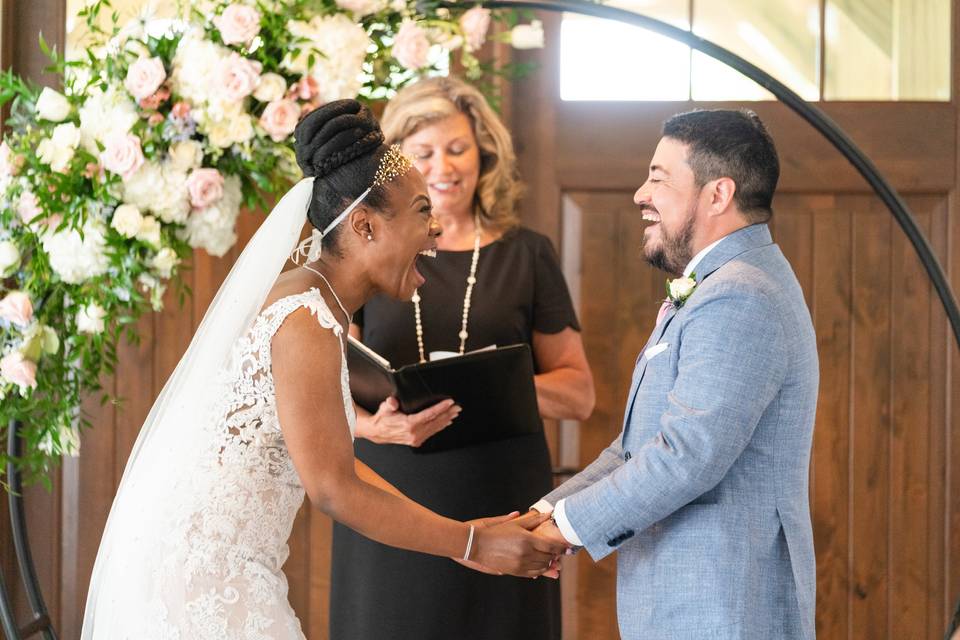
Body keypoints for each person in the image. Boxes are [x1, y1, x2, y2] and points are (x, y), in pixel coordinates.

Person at [80, 100, 567, 639]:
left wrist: (468, 538)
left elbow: (339, 463)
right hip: (205, 583)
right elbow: (333, 489)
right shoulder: (306, 319)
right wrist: (472, 544)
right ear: (365, 225)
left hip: (221, 569)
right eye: (421, 212)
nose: (435, 233)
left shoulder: (312, 300)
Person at [531, 109, 820, 639]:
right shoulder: (719, 285)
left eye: (659, 178)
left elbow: (687, 455)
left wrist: (567, 528)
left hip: (723, 606)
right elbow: (635, 447)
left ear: (717, 195)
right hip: (689, 604)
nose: (641, 194)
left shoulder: (742, 294)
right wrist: (545, 513)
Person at [329, 77, 594, 640]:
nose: (442, 167)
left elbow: (578, 394)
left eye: (456, 149)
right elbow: (324, 385)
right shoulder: (367, 254)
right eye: (422, 154)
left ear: (484, 154)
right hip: (390, 493)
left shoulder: (528, 254)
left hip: (504, 495)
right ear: (395, 167)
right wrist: (372, 428)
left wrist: (494, 383)